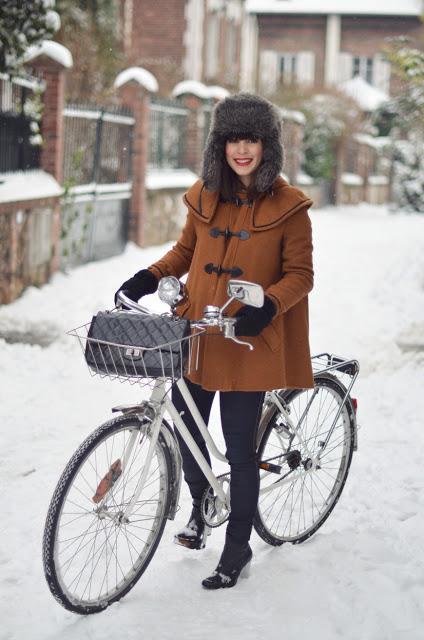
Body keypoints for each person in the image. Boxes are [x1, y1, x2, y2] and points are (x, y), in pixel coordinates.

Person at [115, 92, 314, 590]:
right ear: (219, 145)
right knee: (185, 432)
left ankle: (237, 547)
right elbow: (186, 251)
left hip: (248, 343)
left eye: (251, 139)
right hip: (199, 336)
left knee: (240, 452)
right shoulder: (205, 195)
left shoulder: (290, 208)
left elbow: (301, 275)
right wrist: (146, 276)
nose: (241, 149)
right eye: (232, 139)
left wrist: (266, 305)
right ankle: (203, 509)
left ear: (267, 145)